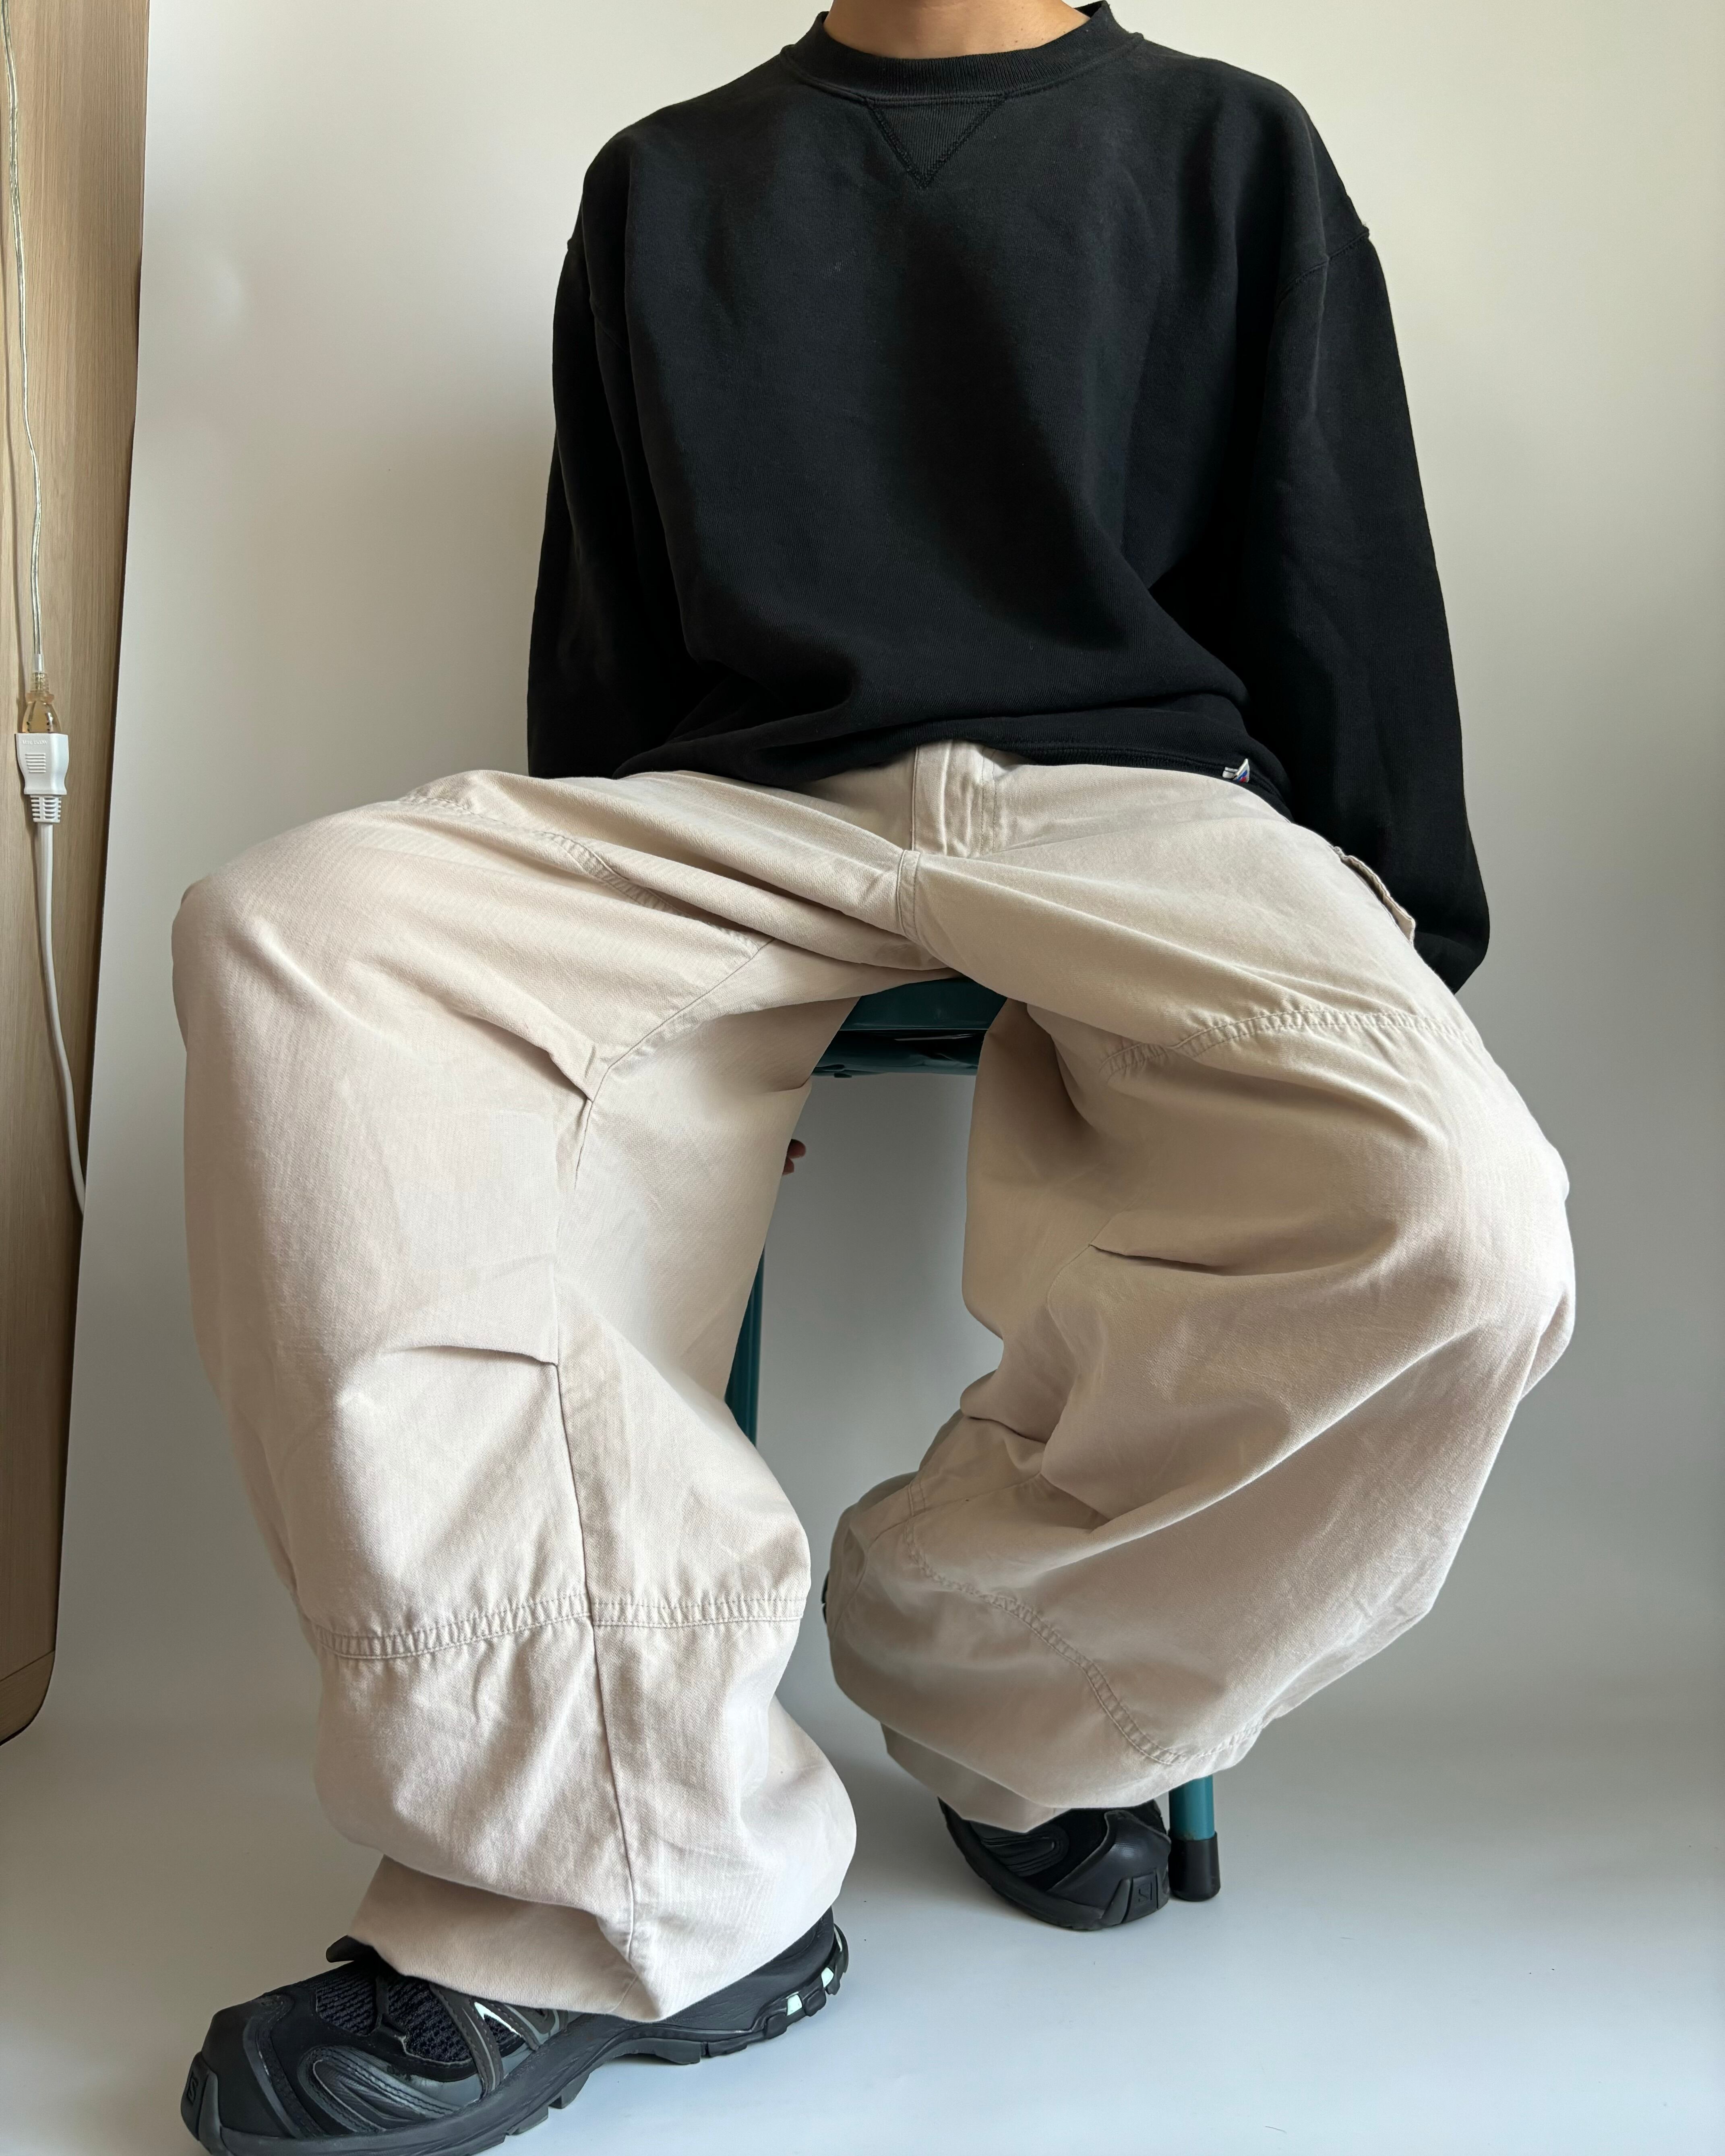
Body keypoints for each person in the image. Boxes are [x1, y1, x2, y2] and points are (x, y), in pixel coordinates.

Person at [172, 2, 1575, 2147]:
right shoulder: (667, 181)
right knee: (298, 929)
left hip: (1140, 802)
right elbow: (610, 625)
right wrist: (625, 1041)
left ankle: (1006, 1685)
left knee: (1457, 1216)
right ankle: (624, 1871)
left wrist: (1396, 939)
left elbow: (1338, 564)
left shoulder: (1225, 145)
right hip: (744, 808)